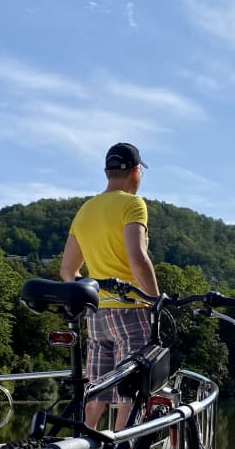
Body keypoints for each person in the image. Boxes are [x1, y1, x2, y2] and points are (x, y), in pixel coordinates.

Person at [60, 142, 160, 430]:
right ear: (136, 172)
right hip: (130, 312)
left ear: (107, 171)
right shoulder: (132, 204)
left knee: (96, 393)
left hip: (97, 314)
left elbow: (67, 270)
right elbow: (137, 258)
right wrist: (155, 302)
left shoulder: (86, 209)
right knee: (130, 395)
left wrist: (94, 288)